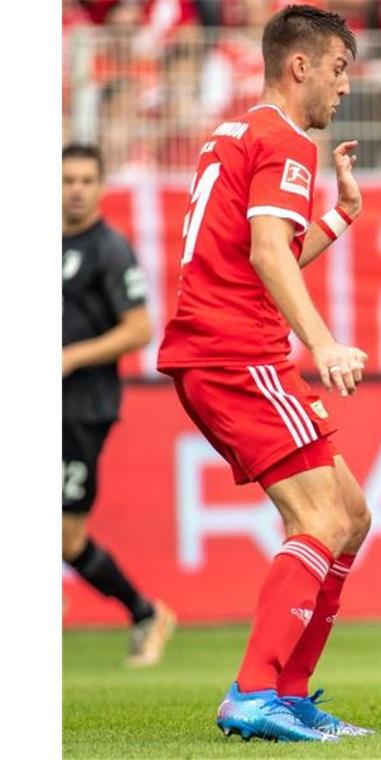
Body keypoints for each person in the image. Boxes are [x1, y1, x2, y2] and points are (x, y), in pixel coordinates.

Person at [156, 5, 372, 743]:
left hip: (220, 347)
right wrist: (324, 342)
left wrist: (340, 219)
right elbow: (266, 256)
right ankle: (253, 694)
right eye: (339, 70)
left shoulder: (235, 133)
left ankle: (289, 691)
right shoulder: (284, 142)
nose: (345, 87)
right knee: (318, 519)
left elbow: (258, 247)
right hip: (235, 354)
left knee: (352, 516)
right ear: (300, 65)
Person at [62, 143, 176, 668]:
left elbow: (140, 328)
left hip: (80, 407)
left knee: (66, 536)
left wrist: (70, 357)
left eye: (86, 180)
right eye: (67, 180)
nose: (76, 190)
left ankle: (145, 612)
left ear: (102, 186)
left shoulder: (109, 249)